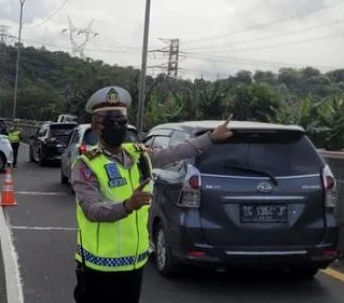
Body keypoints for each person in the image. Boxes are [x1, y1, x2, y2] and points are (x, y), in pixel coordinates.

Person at [70, 86, 233, 303]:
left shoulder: (139, 155)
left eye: (121, 121)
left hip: (134, 264)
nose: (117, 127)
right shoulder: (86, 164)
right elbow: (91, 210)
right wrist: (127, 205)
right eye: (110, 122)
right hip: (98, 267)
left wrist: (211, 138)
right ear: (96, 127)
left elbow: (178, 151)